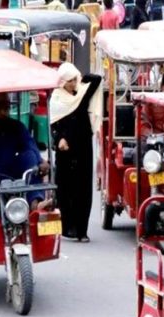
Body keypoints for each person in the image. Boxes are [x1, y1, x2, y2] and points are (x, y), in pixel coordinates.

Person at [50, 63, 102, 243]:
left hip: (82, 147)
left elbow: (97, 79)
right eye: (70, 81)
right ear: (62, 81)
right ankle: (67, 228)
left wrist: (81, 79)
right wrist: (59, 139)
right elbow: (54, 124)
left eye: (75, 79)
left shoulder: (81, 94)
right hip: (65, 151)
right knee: (65, 189)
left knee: (83, 189)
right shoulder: (56, 98)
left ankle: (81, 231)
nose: (73, 84)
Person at [0, 93, 50, 210]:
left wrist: (40, 161)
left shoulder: (16, 126)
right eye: (0, 106)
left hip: (12, 172)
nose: (4, 111)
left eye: (6, 107)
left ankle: (35, 202)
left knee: (30, 156)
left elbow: (29, 144)